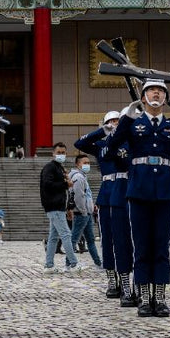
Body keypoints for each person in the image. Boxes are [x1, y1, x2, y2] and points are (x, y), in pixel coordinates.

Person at [105, 79, 170, 317]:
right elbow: (111, 146)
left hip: (165, 190)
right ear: (143, 97)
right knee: (141, 246)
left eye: (160, 91)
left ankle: (159, 298)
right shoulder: (133, 123)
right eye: (151, 90)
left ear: (165, 98)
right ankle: (144, 298)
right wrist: (126, 118)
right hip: (138, 188)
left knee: (161, 246)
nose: (156, 94)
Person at [75, 110, 134, 303]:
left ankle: (126, 284)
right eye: (111, 122)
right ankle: (112, 281)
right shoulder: (101, 144)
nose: (114, 124)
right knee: (107, 241)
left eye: (117, 121)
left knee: (123, 240)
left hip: (124, 191)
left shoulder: (129, 142)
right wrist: (102, 131)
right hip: (107, 193)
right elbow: (80, 144)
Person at [40, 142, 78, 271]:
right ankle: (74, 264)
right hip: (53, 205)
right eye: (59, 153)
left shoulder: (59, 168)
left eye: (63, 153)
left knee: (53, 237)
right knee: (66, 234)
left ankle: (49, 265)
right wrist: (65, 184)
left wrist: (67, 207)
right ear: (53, 153)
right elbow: (47, 184)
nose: (61, 155)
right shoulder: (50, 167)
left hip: (58, 206)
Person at [68, 155, 102, 269]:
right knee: (74, 239)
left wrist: (90, 208)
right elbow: (79, 196)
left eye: (88, 162)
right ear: (78, 164)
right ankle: (69, 263)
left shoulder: (82, 176)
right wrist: (83, 211)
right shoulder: (78, 177)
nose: (87, 165)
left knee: (90, 239)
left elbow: (86, 195)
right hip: (82, 213)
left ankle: (98, 262)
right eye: (85, 162)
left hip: (87, 213)